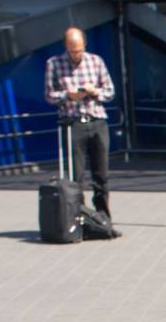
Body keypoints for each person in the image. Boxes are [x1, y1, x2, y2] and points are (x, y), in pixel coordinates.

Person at [44, 27, 116, 218]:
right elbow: (49, 96)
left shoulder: (96, 61)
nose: (76, 55)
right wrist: (68, 95)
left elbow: (110, 91)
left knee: (101, 174)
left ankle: (103, 217)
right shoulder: (54, 64)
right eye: (72, 51)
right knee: (76, 176)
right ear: (66, 47)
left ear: (85, 44)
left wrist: (95, 91)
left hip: (97, 120)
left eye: (79, 50)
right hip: (73, 123)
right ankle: (79, 217)